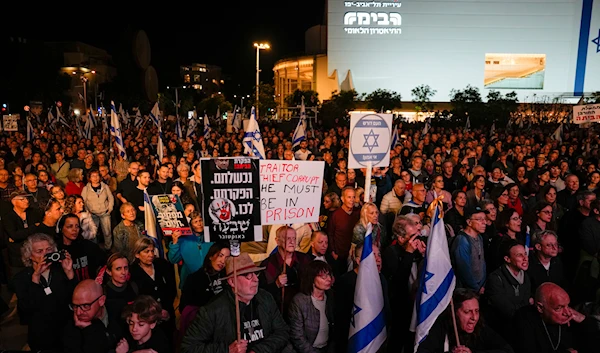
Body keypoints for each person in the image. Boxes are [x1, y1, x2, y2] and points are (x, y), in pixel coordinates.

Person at [181, 253, 290, 353]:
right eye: (248, 275)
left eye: (256, 273)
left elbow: (282, 331)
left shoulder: (265, 298)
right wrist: (227, 350)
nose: (256, 279)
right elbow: (188, 348)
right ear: (232, 281)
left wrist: (259, 350)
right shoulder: (212, 310)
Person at [14, 233, 76, 352]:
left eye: (48, 250)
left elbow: (74, 297)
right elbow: (26, 310)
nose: (45, 254)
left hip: (65, 331)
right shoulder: (21, 278)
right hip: (42, 335)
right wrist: (35, 278)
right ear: (29, 255)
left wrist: (69, 272)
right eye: (39, 251)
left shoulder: (60, 270)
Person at [416, 288, 514, 353]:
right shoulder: (440, 327)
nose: (474, 318)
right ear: (454, 313)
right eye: (467, 312)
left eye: (477, 311)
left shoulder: (480, 327)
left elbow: (507, 350)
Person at [513, 282, 591, 353]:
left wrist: (583, 320)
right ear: (540, 307)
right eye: (559, 308)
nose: (567, 312)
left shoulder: (570, 317)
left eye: (567, 305)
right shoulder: (524, 317)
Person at [63, 279, 123, 353]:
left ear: (101, 301)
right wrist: (89, 330)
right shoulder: (70, 329)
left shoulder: (119, 310)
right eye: (75, 306)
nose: (78, 312)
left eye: (85, 305)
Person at [288, 261, 335, 353]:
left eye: (329, 275)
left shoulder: (331, 296)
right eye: (323, 276)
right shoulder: (300, 301)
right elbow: (297, 336)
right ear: (312, 278)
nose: (329, 279)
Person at [180, 242, 231, 311]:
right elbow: (184, 307)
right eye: (220, 255)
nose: (223, 261)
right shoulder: (194, 279)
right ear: (210, 256)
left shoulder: (228, 276)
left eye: (226, 258)